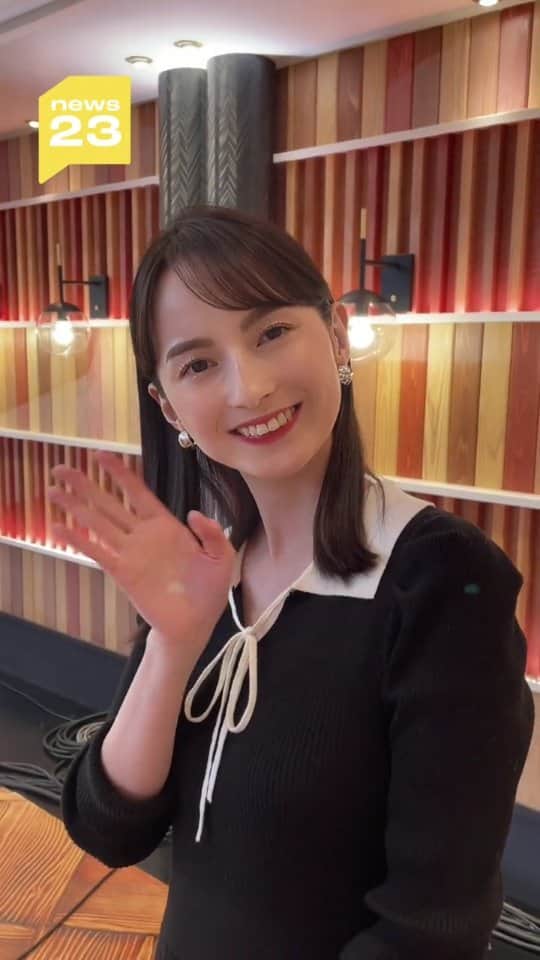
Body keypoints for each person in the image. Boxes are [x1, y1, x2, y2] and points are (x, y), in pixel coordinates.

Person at [49, 205, 535, 960]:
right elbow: (108, 828)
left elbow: (430, 931)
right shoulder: (206, 566)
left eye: (272, 331)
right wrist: (172, 646)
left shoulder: (441, 579)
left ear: (336, 334)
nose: (249, 387)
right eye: (198, 364)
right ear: (168, 406)